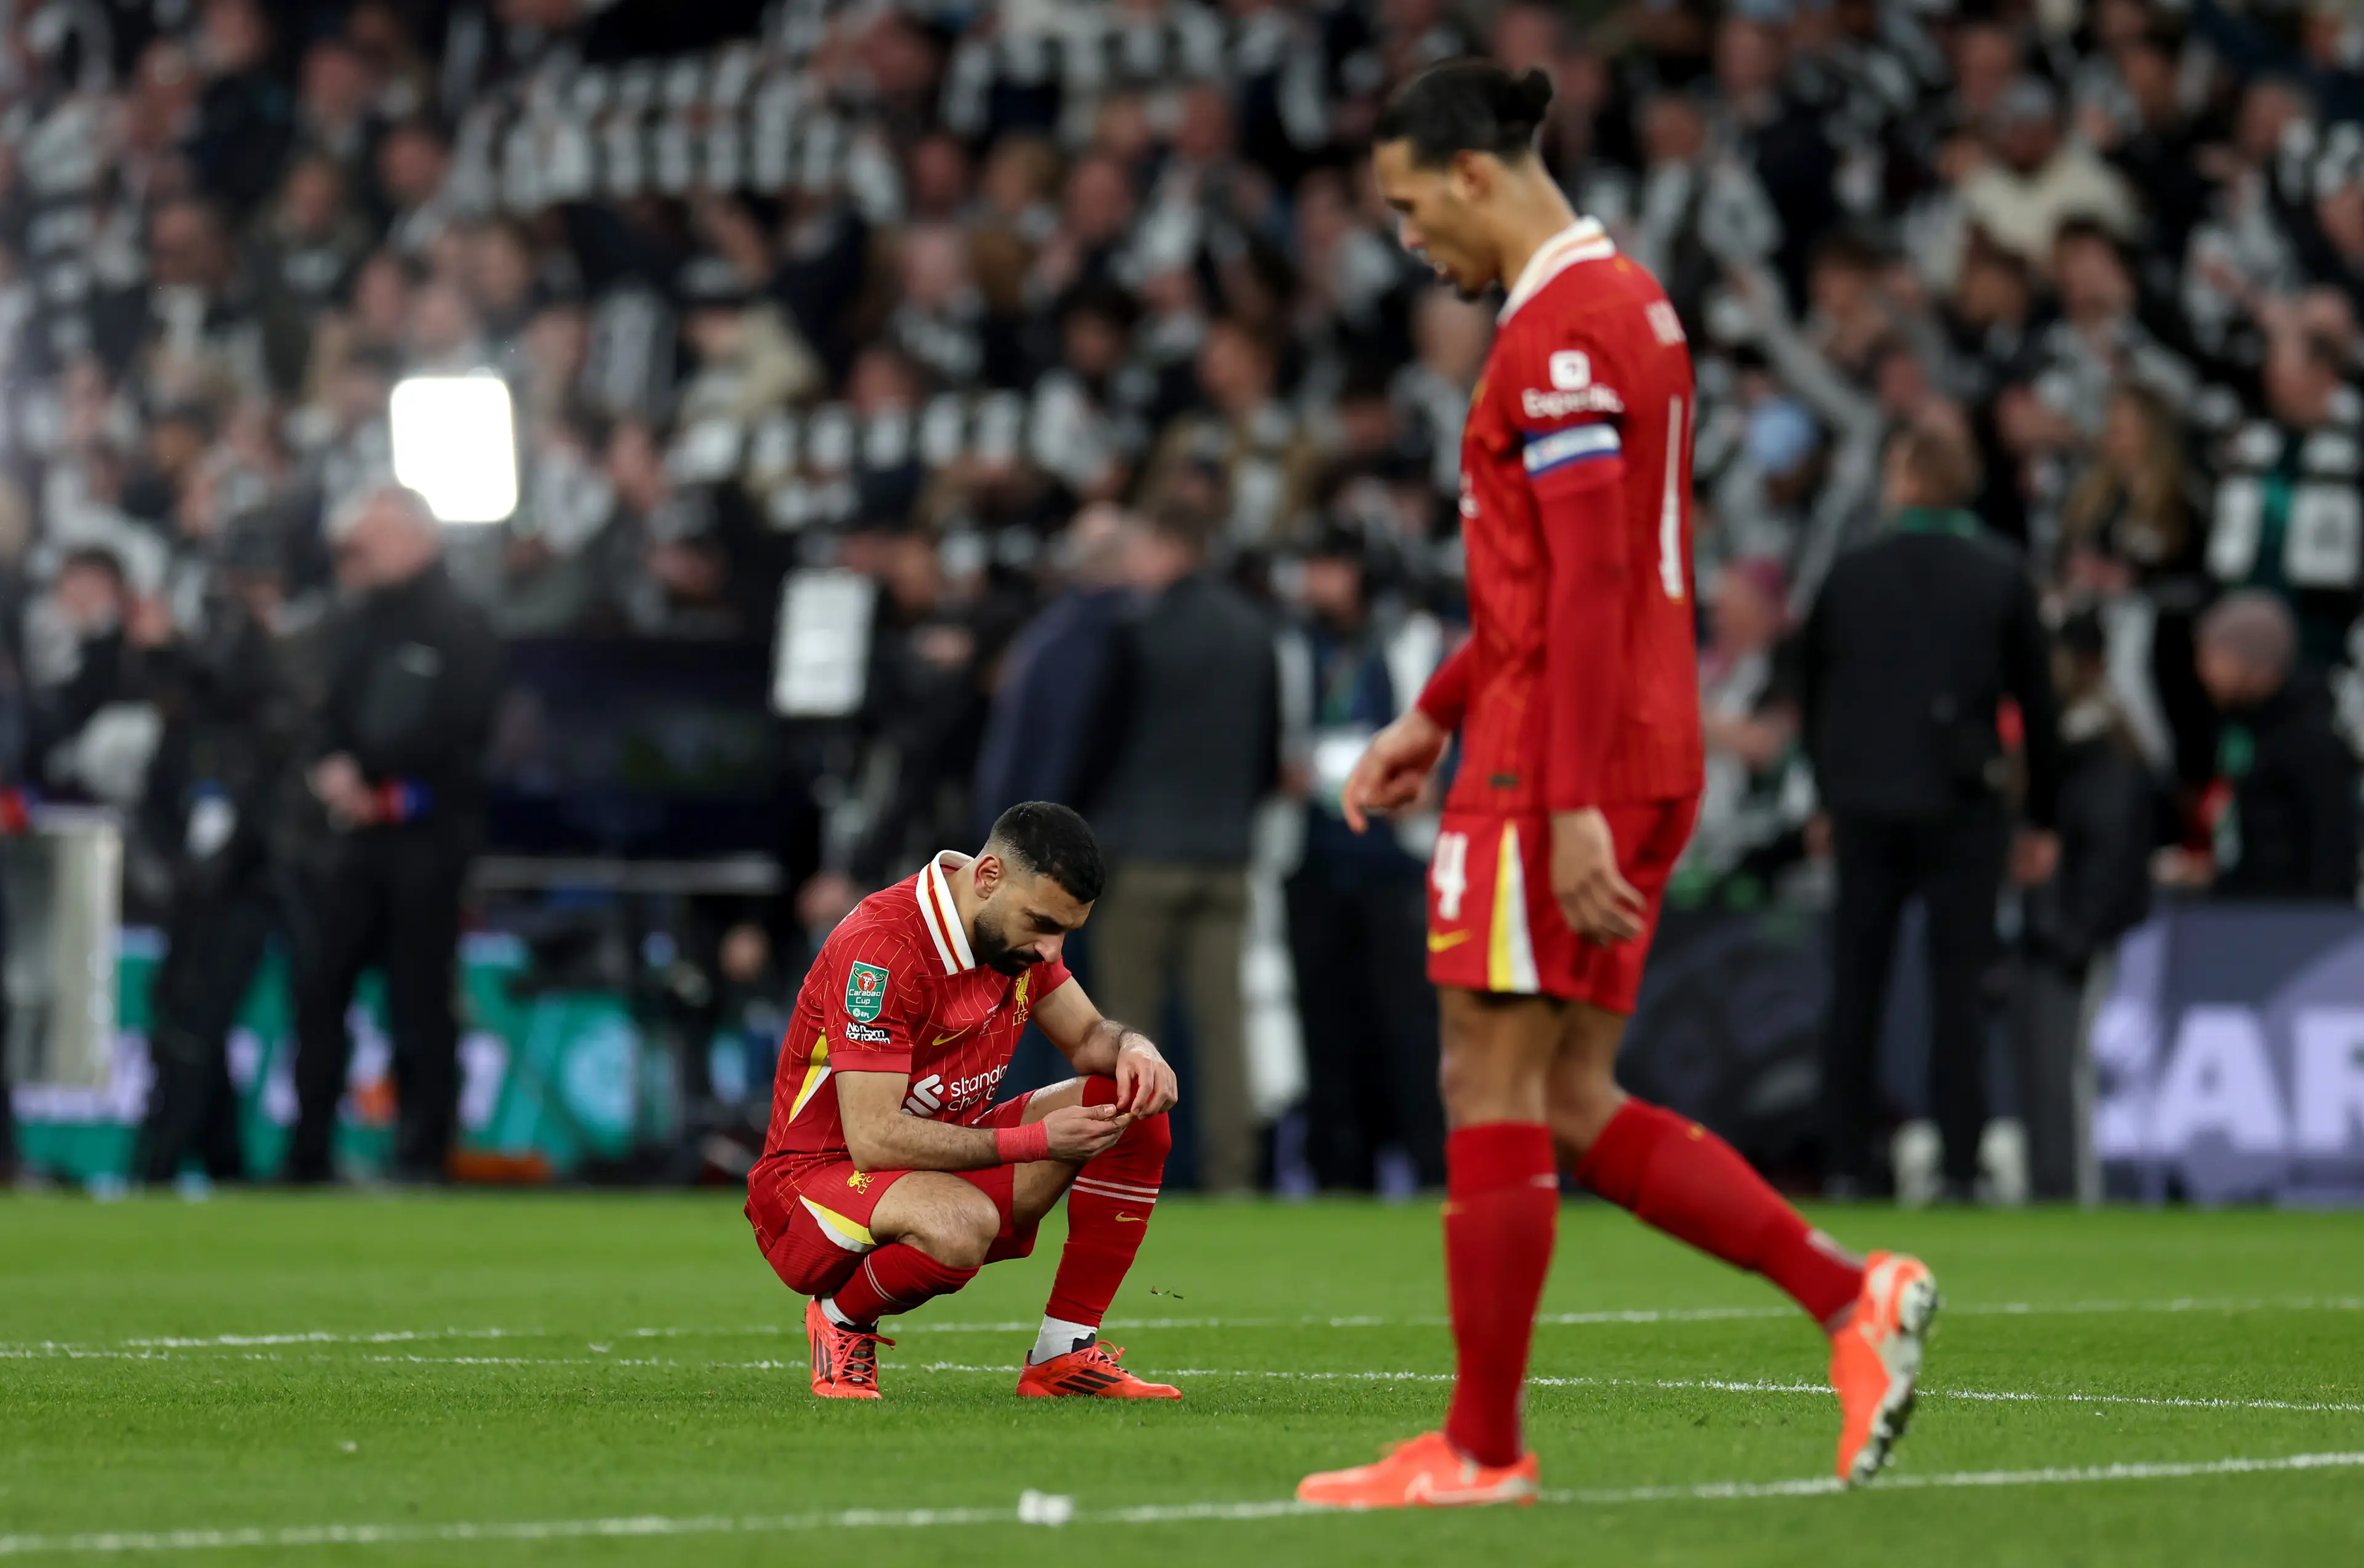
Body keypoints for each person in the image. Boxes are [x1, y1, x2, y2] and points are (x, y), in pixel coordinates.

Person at [1299, 60, 1936, 1511]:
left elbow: (1588, 582)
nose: (1406, 239)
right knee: (1568, 1096)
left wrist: (1565, 790)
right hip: (1608, 738)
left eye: (1410, 206)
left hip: (1559, 759)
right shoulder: (1622, 302)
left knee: (1485, 1078)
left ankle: (1480, 1448)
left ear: (1473, 175)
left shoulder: (1563, 332)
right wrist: (1432, 712)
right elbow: (1549, 579)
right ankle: (1849, 1295)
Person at [745, 802, 1184, 1401]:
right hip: (812, 1185)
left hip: (932, 1167)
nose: (1051, 950)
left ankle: (1063, 1352)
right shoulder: (881, 948)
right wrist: (1037, 1142)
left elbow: (1087, 1037)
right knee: (959, 1224)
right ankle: (842, 1320)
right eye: (1042, 924)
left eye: (1064, 932)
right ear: (988, 876)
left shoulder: (1013, 937)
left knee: (1129, 1104)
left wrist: (1136, 1047)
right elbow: (873, 1137)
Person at [1799, 424, 2062, 1202]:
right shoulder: (1999, 574)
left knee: (1857, 988)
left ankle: (1847, 1160)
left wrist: (1824, 795)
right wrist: (2041, 817)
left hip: (1865, 805)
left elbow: (1812, 694)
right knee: (1960, 993)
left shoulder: (1852, 574)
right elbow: (2038, 706)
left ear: (1907, 479)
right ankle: (1959, 1162)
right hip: (1963, 805)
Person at [284, 485, 502, 1185]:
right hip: (354, 838)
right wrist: (334, 769)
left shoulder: (463, 622)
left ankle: (422, 1152)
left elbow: (464, 728)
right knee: (320, 991)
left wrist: (382, 780)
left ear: (416, 537)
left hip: (426, 837)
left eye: (374, 537)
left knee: (420, 998)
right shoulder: (356, 618)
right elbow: (324, 711)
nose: (362, 552)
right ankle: (308, 1152)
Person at [1072, 501, 1280, 1194]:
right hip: (1226, 858)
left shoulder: (1138, 629)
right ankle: (1234, 1176)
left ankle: (1120, 1172)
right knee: (1225, 1029)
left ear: (1166, 544)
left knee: (1126, 1027)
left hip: (1142, 859)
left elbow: (1097, 747)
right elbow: (1268, 753)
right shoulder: (1254, 629)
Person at [1281, 524, 1447, 1192]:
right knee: (1326, 1025)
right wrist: (1284, 770)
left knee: (1410, 1026)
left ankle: (1431, 1167)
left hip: (1396, 862)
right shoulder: (1295, 644)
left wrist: (1432, 782)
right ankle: (1337, 1176)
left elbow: (1450, 731)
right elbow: (1279, 735)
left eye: (1329, 566)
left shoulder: (1414, 642)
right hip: (1315, 858)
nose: (1314, 581)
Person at [2160, 591, 2360, 901]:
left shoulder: (2310, 742)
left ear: (2251, 662)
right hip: (2255, 914)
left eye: (2212, 655)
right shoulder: (2249, 727)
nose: (2202, 670)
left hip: (2291, 922)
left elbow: (2328, 856)